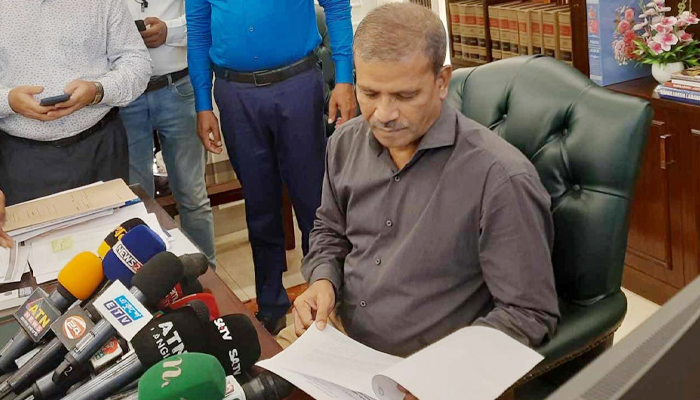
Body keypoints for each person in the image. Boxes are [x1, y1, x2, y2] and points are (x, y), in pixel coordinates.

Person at [289, 4, 560, 397]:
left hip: (436, 374)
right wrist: (323, 281)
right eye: (370, 93)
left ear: (442, 81)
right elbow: (330, 230)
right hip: (343, 347)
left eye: (404, 95)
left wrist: (440, 376)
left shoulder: (499, 177)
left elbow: (529, 312)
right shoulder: (345, 143)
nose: (383, 114)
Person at [186, 0, 357, 334]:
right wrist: (203, 103)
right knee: (259, 206)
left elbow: (337, 7)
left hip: (297, 85)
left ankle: (327, 299)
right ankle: (271, 306)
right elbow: (198, 30)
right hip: (236, 94)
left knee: (314, 204)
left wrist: (344, 78)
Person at [0, 0, 151, 206]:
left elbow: (137, 63)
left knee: (111, 224)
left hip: (101, 148)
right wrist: (8, 101)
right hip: (21, 159)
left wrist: (98, 91)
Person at [122, 0, 216, 266]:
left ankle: (206, 276)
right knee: (137, 201)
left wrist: (169, 31)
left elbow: (206, 16)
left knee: (193, 197)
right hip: (126, 99)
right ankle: (150, 281)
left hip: (179, 88)